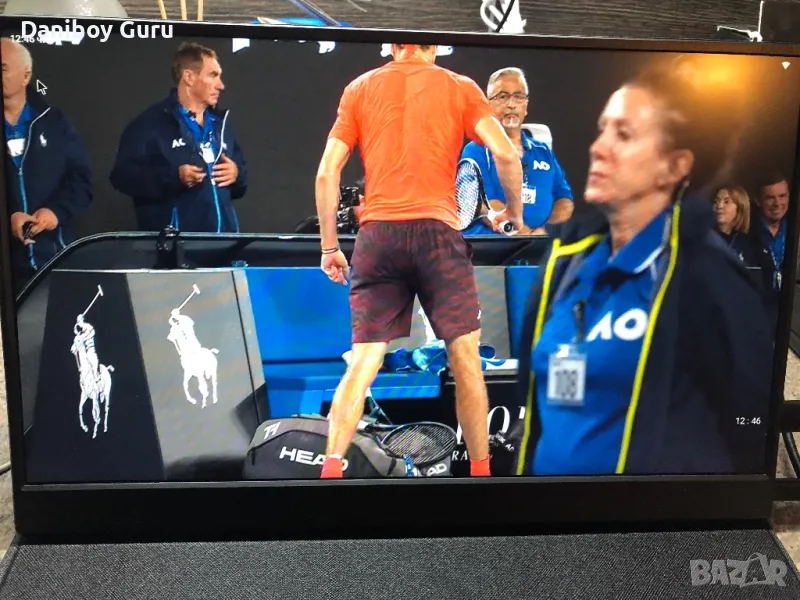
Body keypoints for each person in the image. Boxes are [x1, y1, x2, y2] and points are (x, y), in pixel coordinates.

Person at [512, 59, 773, 477]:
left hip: (645, 520)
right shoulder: (565, 262)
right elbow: (537, 410)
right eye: (603, 129)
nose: (598, 147)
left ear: (675, 166)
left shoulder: (708, 276)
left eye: (624, 134)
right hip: (545, 515)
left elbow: (747, 432)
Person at [314, 43, 523, 479]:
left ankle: (330, 473)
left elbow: (327, 172)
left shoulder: (358, 88)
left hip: (378, 238)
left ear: (393, 46)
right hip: (437, 238)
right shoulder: (460, 87)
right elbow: (505, 154)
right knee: (465, 359)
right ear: (434, 48)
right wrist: (515, 215)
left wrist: (330, 248)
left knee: (364, 361)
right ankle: (481, 477)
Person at [110, 42, 248, 233]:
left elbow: (241, 182)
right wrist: (173, 176)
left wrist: (236, 174)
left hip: (224, 243)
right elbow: (123, 177)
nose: (221, 85)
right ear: (189, 77)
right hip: (176, 246)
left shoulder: (220, 125)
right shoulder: (150, 125)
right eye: (213, 75)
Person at [2, 38, 93, 294]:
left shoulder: (54, 122)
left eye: (3, 68)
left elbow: (81, 180)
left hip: (52, 261)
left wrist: (55, 211)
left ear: (25, 75)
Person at [461, 67, 573, 236]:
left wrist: (543, 231)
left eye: (518, 96)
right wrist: (526, 235)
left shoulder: (543, 151)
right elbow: (485, 204)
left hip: (539, 246)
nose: (511, 104)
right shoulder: (476, 151)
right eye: (502, 96)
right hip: (493, 248)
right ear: (488, 104)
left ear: (526, 105)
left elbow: (564, 201)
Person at [711, 185, 773, 292]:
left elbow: (766, 286)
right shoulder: (701, 241)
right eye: (716, 201)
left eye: (726, 202)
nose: (719, 206)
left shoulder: (754, 245)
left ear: (740, 207)